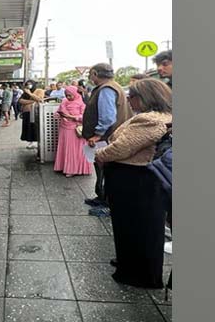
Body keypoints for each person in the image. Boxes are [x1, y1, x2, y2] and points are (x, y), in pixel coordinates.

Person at [95, 78, 172, 288]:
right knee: (136, 227)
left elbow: (121, 148)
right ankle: (130, 264)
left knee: (136, 227)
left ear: (145, 98)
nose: (128, 100)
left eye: (132, 97)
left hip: (135, 179)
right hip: (139, 179)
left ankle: (138, 274)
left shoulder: (149, 120)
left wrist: (100, 153)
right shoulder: (159, 117)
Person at [81, 64, 133, 217]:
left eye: (91, 75)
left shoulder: (106, 90)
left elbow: (108, 116)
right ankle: (102, 197)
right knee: (102, 169)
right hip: (110, 137)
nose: (90, 78)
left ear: (95, 74)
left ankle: (110, 205)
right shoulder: (113, 86)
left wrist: (98, 134)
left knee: (109, 171)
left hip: (107, 138)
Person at [53, 86, 93, 177]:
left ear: (75, 94)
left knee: (74, 150)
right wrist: (58, 115)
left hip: (76, 130)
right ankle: (65, 167)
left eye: (70, 95)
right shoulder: (64, 102)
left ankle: (73, 169)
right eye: (66, 95)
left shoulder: (82, 103)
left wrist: (72, 117)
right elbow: (58, 112)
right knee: (66, 148)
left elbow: (85, 117)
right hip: (64, 128)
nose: (68, 97)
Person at [19, 80, 46, 149]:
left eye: (30, 84)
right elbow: (21, 100)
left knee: (35, 127)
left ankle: (37, 142)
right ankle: (30, 141)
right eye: (27, 84)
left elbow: (40, 99)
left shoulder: (39, 90)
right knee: (28, 128)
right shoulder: (25, 92)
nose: (29, 86)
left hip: (35, 112)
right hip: (26, 112)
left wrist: (30, 94)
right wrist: (32, 100)